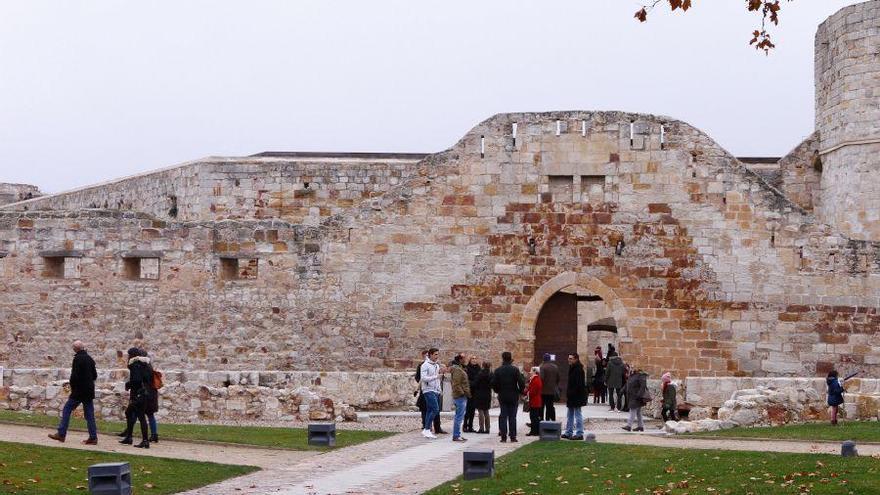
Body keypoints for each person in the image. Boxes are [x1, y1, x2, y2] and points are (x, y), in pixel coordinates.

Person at [48, 340, 98, 445]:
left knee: (67, 409)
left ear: (75, 349)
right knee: (89, 414)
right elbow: (94, 375)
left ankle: (61, 433)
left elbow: (74, 376)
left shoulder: (77, 359)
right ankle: (93, 437)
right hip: (89, 391)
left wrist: (73, 387)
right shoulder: (90, 359)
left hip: (79, 391)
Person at [119, 347, 152, 448]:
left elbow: (136, 380)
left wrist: (128, 384)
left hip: (138, 394)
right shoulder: (145, 364)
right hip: (144, 393)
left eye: (129, 355)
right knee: (132, 414)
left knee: (137, 415)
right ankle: (131, 437)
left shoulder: (135, 364)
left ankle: (143, 440)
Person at [491, 351, 525, 443]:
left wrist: (497, 390)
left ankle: (503, 437)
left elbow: (493, 383)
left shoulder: (498, 370)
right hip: (513, 395)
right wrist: (520, 391)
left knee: (503, 416)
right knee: (512, 416)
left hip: (502, 395)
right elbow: (521, 382)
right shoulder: (515, 370)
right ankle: (513, 436)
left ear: (503, 358)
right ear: (510, 358)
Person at [415, 350, 444, 434]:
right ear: (430, 355)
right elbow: (423, 378)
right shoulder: (424, 365)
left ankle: (427, 430)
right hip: (428, 390)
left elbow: (438, 380)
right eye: (435, 354)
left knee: (430, 410)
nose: (437, 356)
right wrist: (435, 377)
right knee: (435, 409)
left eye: (438, 354)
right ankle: (427, 428)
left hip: (436, 390)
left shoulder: (436, 366)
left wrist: (440, 390)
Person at [562, 353, 587, 440]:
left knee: (577, 414)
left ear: (576, 359)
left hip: (577, 396)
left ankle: (580, 433)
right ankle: (568, 432)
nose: (569, 360)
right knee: (570, 414)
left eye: (571, 358)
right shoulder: (572, 368)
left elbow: (579, 384)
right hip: (572, 395)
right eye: (569, 358)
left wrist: (573, 393)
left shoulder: (578, 370)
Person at [450, 354, 471, 442]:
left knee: (459, 416)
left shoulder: (459, 368)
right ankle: (456, 435)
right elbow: (456, 383)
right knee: (459, 416)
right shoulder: (457, 370)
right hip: (460, 396)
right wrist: (462, 393)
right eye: (464, 358)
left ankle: (457, 434)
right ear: (460, 359)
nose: (465, 360)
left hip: (461, 395)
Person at [623, 368, 650, 432]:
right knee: (638, 412)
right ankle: (640, 426)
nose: (632, 368)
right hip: (632, 396)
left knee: (633, 410)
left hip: (636, 397)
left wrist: (639, 395)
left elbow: (643, 386)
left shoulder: (641, 376)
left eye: (633, 367)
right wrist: (622, 390)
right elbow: (628, 385)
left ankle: (629, 426)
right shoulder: (632, 375)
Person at [538, 353, 559, 421]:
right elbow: (558, 378)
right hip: (552, 391)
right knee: (550, 406)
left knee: (541, 407)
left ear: (543, 359)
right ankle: (550, 421)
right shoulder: (555, 367)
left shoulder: (542, 367)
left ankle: (541, 421)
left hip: (543, 391)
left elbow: (541, 378)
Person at [473, 362, 492, 434]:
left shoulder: (480, 374)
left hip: (480, 393)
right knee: (486, 411)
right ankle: (487, 428)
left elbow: (475, 383)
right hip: (487, 393)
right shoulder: (490, 374)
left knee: (480, 411)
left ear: (482, 366)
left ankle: (481, 428)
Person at [464, 355, 481, 433]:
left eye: (475, 358)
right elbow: (466, 379)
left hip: (476, 391)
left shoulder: (478, 368)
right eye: (472, 359)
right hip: (469, 390)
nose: (474, 360)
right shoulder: (467, 368)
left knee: (473, 410)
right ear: (470, 360)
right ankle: (465, 425)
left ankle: (470, 426)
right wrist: (474, 383)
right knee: (468, 409)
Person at [525, 367, 544, 436]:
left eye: (531, 371)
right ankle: (533, 431)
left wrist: (527, 393)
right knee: (533, 416)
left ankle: (535, 431)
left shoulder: (536, 379)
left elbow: (533, 391)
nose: (530, 372)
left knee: (534, 417)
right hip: (534, 401)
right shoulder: (534, 379)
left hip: (535, 401)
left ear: (535, 371)